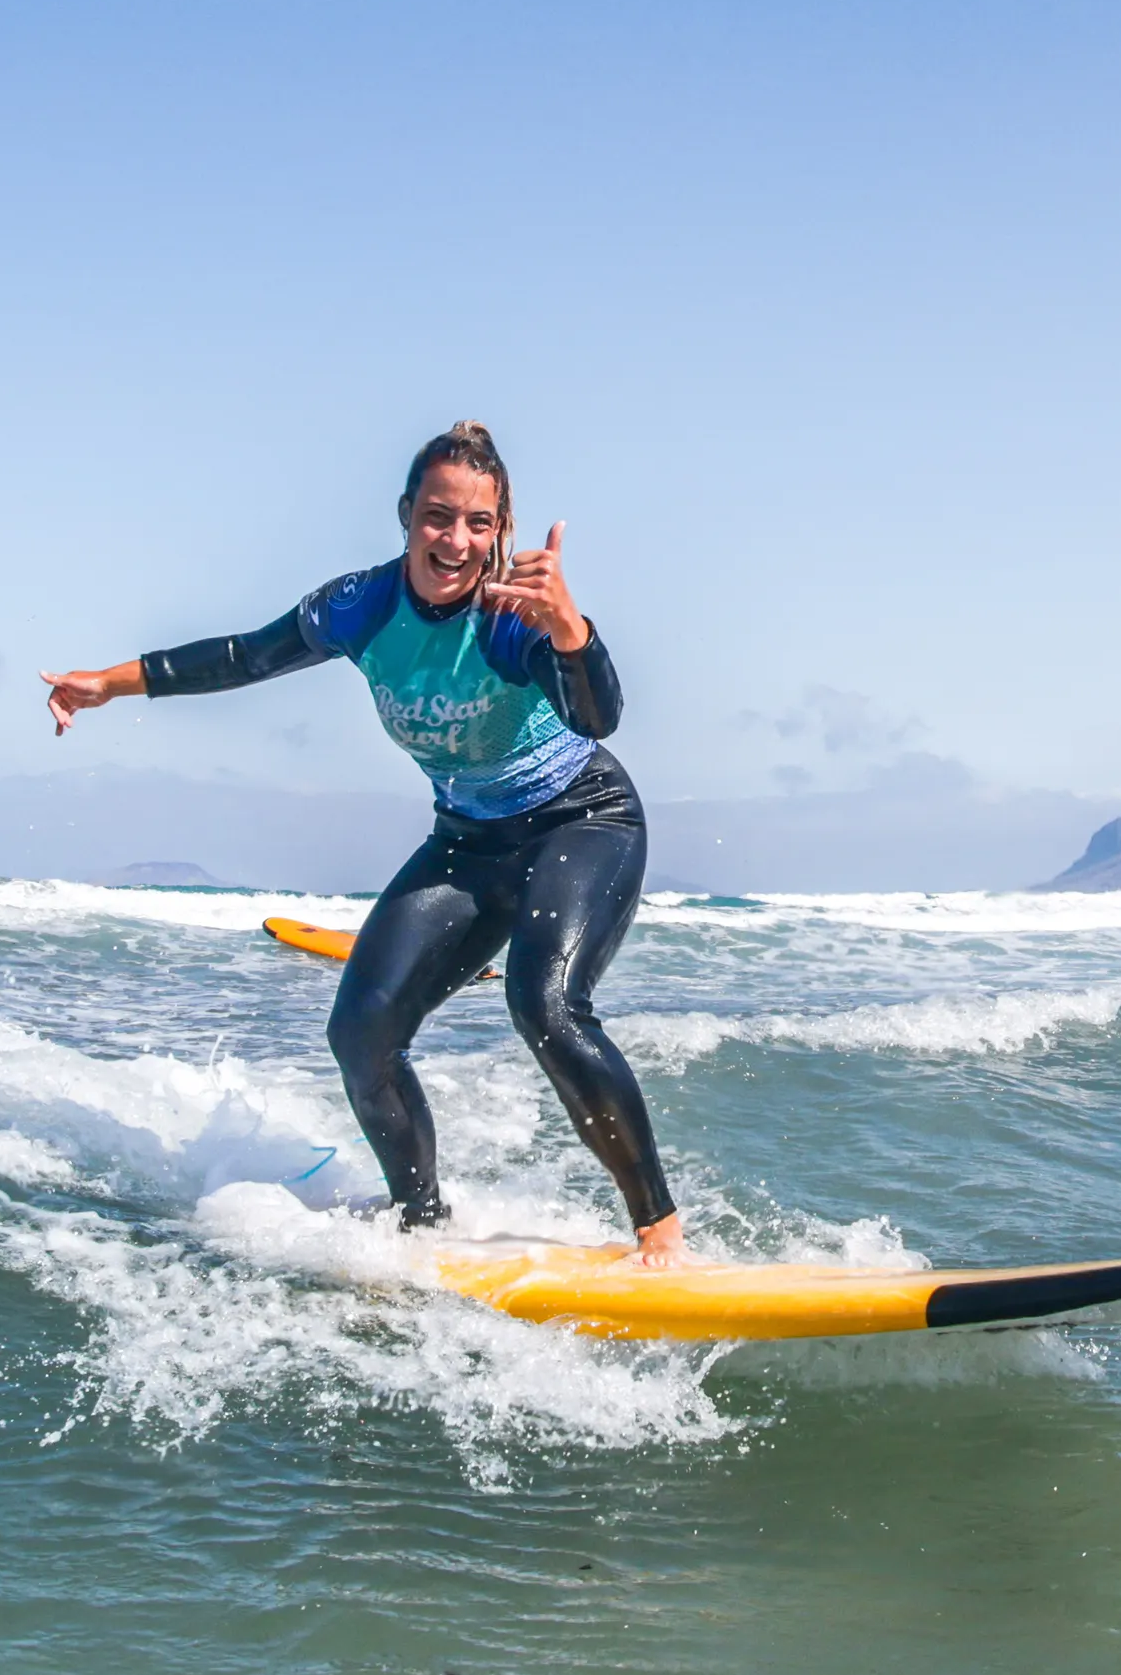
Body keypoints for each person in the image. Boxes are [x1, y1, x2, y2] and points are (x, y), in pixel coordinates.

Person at [40, 423, 685, 1264]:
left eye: (479, 524)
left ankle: (660, 1230)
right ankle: (422, 1221)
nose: (456, 541)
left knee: (545, 1006)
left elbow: (598, 718)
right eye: (437, 516)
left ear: (500, 532)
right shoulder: (361, 606)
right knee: (362, 1033)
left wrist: (570, 628)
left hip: (583, 820)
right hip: (471, 839)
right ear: (407, 516)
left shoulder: (510, 621)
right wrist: (112, 683)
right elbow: (245, 656)